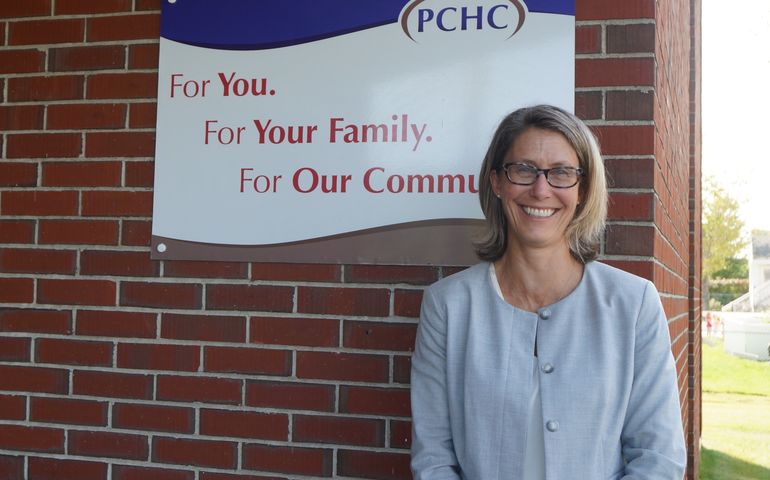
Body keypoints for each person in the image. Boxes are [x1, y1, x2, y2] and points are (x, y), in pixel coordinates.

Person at [410, 105, 686, 480]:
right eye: (523, 169)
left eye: (561, 173)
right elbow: (433, 460)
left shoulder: (632, 304)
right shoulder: (448, 306)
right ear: (496, 182)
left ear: (583, 189)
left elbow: (659, 458)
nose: (541, 190)